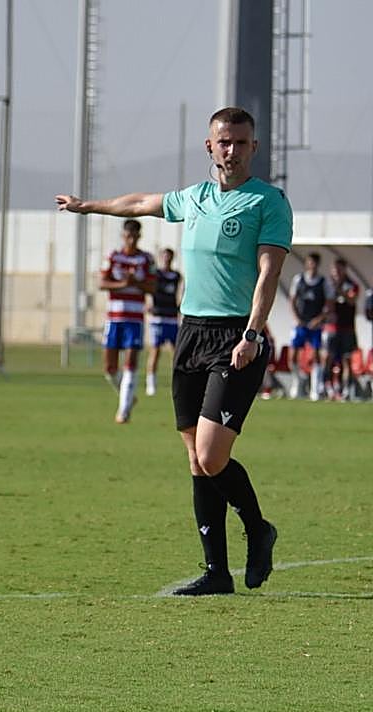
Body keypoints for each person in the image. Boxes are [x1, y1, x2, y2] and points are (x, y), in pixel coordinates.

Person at [56, 106, 291, 596]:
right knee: (193, 456)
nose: (232, 150)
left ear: (254, 147)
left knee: (211, 453)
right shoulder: (196, 198)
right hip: (191, 332)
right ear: (210, 146)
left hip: (235, 338)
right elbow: (140, 202)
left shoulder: (268, 202)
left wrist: (252, 333)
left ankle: (258, 529)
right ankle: (216, 573)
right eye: (224, 142)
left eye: (242, 142)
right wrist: (88, 206)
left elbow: (268, 275)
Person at [99, 219, 156, 422]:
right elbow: (101, 283)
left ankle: (123, 410)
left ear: (139, 236)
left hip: (135, 319)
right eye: (128, 236)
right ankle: (129, 397)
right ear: (123, 235)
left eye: (135, 236)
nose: (131, 240)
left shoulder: (146, 259)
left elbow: (153, 287)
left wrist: (137, 282)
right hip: (114, 318)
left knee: (131, 362)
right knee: (109, 368)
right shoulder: (113, 257)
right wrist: (124, 282)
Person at [288, 252, 329, 400]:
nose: (311, 265)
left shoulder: (323, 282)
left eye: (314, 262)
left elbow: (329, 305)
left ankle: (315, 389)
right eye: (309, 262)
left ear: (318, 264)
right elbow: (292, 300)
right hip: (300, 323)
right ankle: (296, 384)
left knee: (316, 355)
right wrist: (296, 318)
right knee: (292, 355)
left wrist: (319, 319)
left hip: (315, 325)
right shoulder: (298, 280)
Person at [322, 258, 361, 400]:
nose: (336, 272)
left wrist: (339, 290)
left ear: (345, 269)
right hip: (331, 329)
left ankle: (346, 391)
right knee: (327, 358)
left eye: (339, 269)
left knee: (346, 360)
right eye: (334, 269)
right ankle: (327, 389)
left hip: (347, 328)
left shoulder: (352, 285)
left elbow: (352, 300)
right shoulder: (326, 285)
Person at [146, 248, 182, 396]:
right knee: (155, 351)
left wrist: (180, 306)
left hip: (172, 317)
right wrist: (148, 304)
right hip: (158, 317)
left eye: (169, 256)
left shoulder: (176, 276)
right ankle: (151, 383)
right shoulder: (156, 274)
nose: (167, 258)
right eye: (164, 256)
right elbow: (149, 290)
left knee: (176, 353)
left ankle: (177, 382)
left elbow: (180, 292)